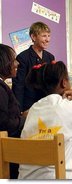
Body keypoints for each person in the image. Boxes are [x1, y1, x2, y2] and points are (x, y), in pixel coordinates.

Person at [18, 61, 72, 179]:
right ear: (64, 83)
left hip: (27, 178)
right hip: (59, 176)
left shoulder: (34, 108)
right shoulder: (70, 105)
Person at [12, 21, 55, 112]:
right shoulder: (23, 57)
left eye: (48, 36)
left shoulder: (50, 57)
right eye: (44, 36)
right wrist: (18, 110)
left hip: (46, 104)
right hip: (29, 105)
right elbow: (18, 86)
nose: (48, 39)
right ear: (33, 37)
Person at [0, 44, 27, 179]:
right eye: (13, 59)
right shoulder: (1, 89)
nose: (17, 63)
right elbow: (3, 123)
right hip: (7, 157)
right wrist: (23, 119)